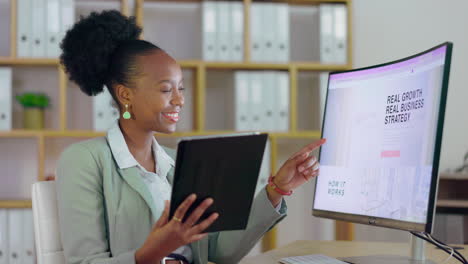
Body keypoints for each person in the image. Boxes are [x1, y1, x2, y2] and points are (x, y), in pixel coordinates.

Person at [56, 10, 325, 264]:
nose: (180, 100)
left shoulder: (178, 163)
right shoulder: (85, 161)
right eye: (166, 89)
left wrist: (276, 189)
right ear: (126, 95)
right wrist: (156, 249)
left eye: (181, 88)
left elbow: (220, 252)